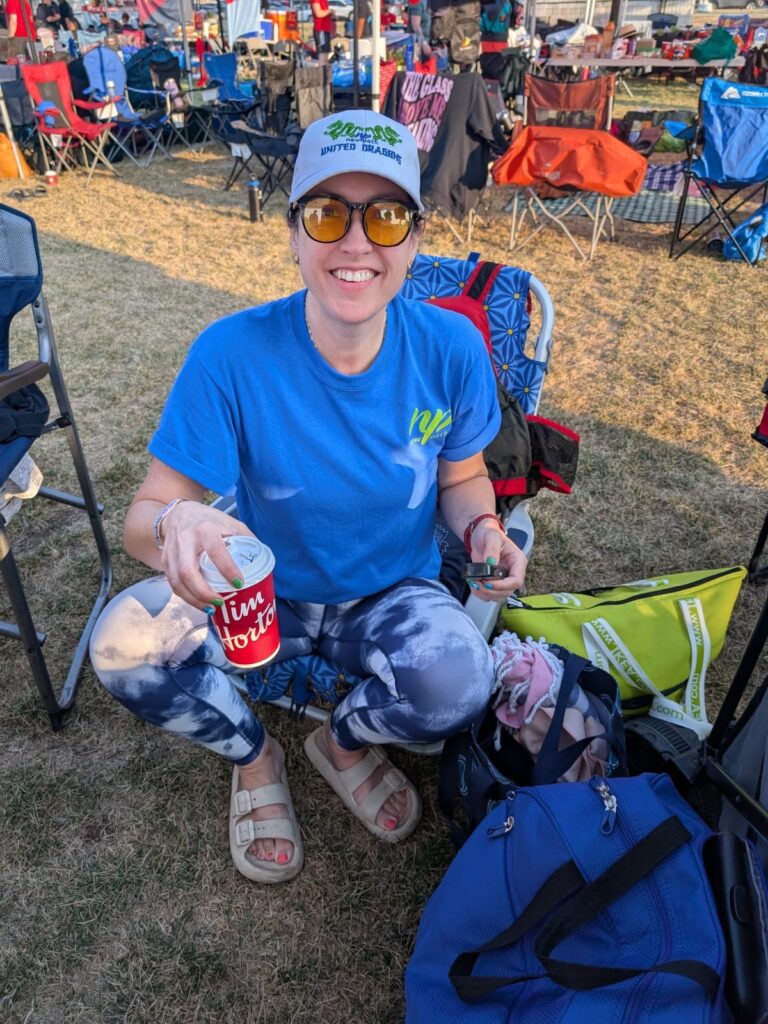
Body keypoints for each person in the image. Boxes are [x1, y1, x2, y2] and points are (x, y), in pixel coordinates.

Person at [89, 109, 527, 886]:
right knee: (123, 646)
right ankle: (255, 757)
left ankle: (345, 741)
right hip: (264, 597)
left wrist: (486, 528)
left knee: (462, 681)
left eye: (386, 216)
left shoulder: (452, 349)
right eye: (328, 213)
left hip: (392, 592)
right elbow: (142, 519)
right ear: (293, 235)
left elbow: (462, 478)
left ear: (415, 240)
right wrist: (179, 519)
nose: (356, 242)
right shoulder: (230, 353)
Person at [310, 0, 332, 65]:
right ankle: (323, 73)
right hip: (321, 29)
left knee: (325, 56)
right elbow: (318, 13)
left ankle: (325, 72)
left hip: (325, 30)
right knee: (323, 57)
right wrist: (330, 11)